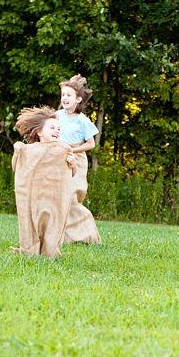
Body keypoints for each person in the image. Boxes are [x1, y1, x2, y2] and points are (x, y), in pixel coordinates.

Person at [11, 106, 76, 258]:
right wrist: (17, 153)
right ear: (39, 131)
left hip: (55, 197)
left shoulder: (63, 149)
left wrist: (73, 164)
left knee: (53, 222)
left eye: (59, 128)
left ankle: (50, 251)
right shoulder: (28, 150)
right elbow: (18, 170)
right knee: (31, 222)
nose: (56, 131)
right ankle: (30, 249)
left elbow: (70, 174)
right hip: (34, 196)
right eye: (52, 127)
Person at [56, 74, 102, 244]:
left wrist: (73, 149)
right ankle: (63, 235)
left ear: (78, 100)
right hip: (59, 157)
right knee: (60, 196)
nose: (64, 98)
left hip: (77, 159)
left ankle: (88, 234)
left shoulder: (83, 121)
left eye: (68, 95)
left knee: (72, 196)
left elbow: (90, 144)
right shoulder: (57, 116)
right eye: (63, 95)